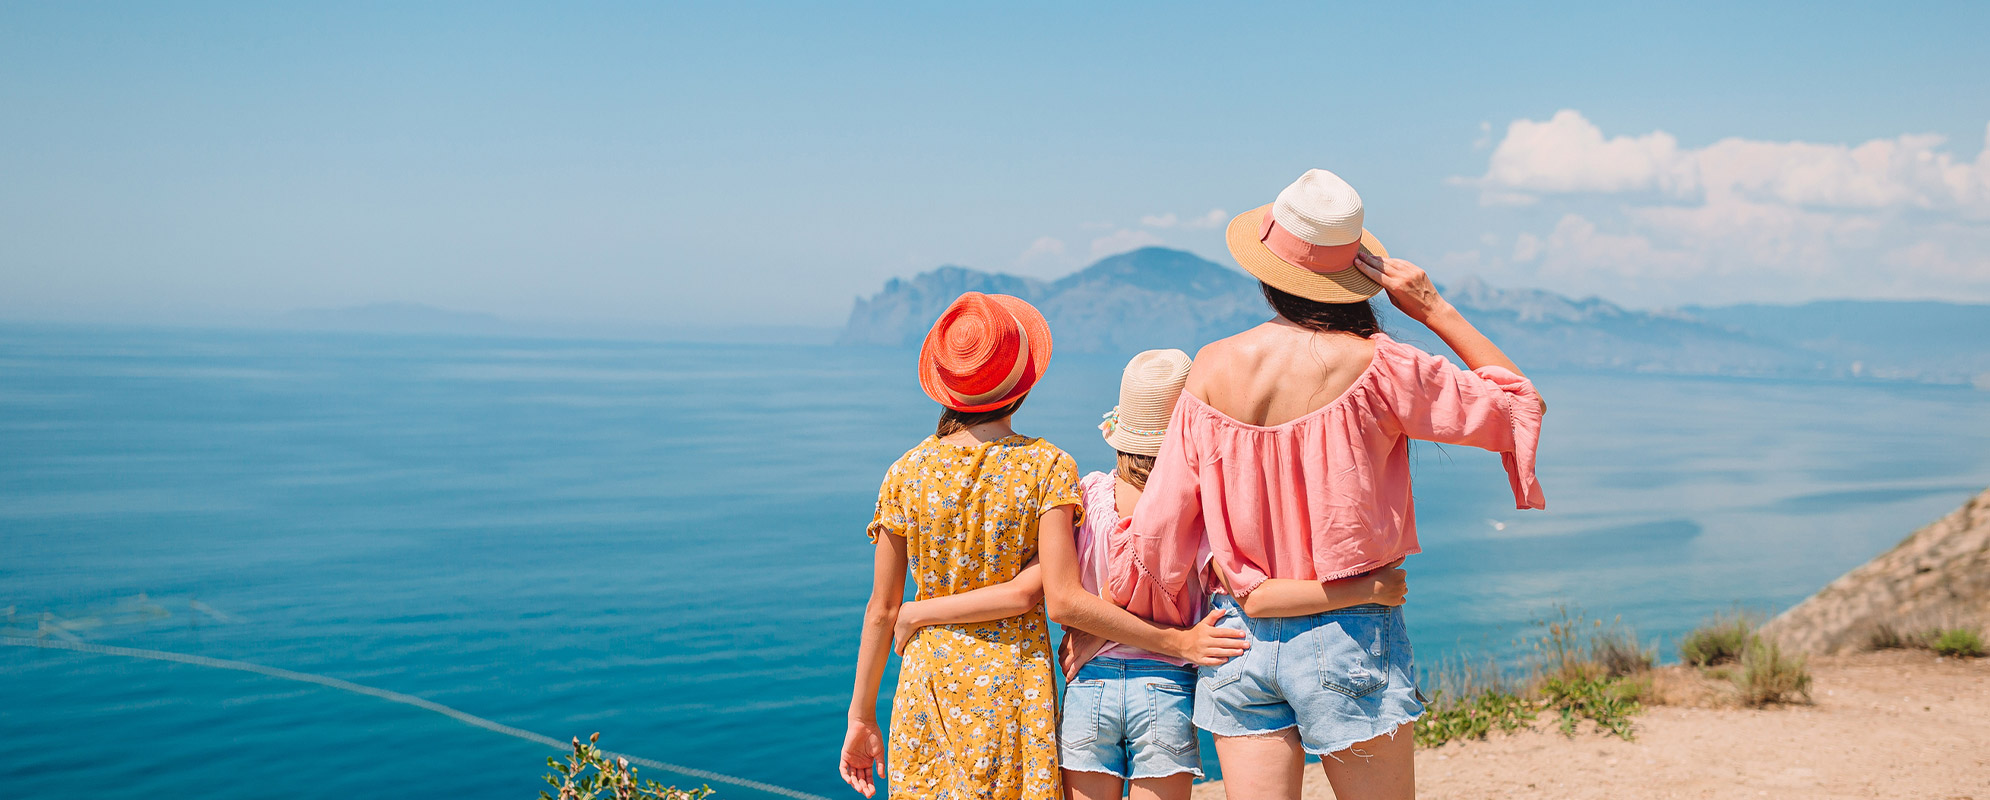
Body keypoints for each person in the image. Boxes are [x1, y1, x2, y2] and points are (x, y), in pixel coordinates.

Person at [1109, 169, 1547, 800]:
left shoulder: (1209, 365)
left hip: (1237, 634)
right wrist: (1432, 308)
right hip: (1351, 630)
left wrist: (1189, 610)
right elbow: (1516, 407)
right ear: (1352, 276)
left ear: (1267, 271)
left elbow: (1160, 530)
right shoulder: (1384, 366)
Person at [1052, 349, 1411, 800]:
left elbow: (1058, 592)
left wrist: (1097, 630)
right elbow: (1253, 595)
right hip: (1166, 689)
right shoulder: (1199, 516)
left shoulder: (1083, 497)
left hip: (1089, 684)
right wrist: (1369, 587)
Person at [838, 291, 1078, 800]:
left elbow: (881, 609)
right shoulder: (1049, 467)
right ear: (1023, 384)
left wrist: (861, 716)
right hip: (1013, 688)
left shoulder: (906, 472)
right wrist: (914, 614)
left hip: (929, 685)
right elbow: (1030, 593)